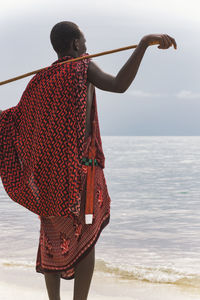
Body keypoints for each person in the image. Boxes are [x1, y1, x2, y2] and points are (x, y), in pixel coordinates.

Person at [0, 21, 177, 300]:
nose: (87, 48)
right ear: (75, 45)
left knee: (51, 237)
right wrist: (143, 44)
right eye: (85, 42)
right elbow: (119, 85)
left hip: (47, 178)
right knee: (87, 235)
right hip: (81, 173)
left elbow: (14, 121)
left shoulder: (39, 82)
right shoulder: (81, 68)